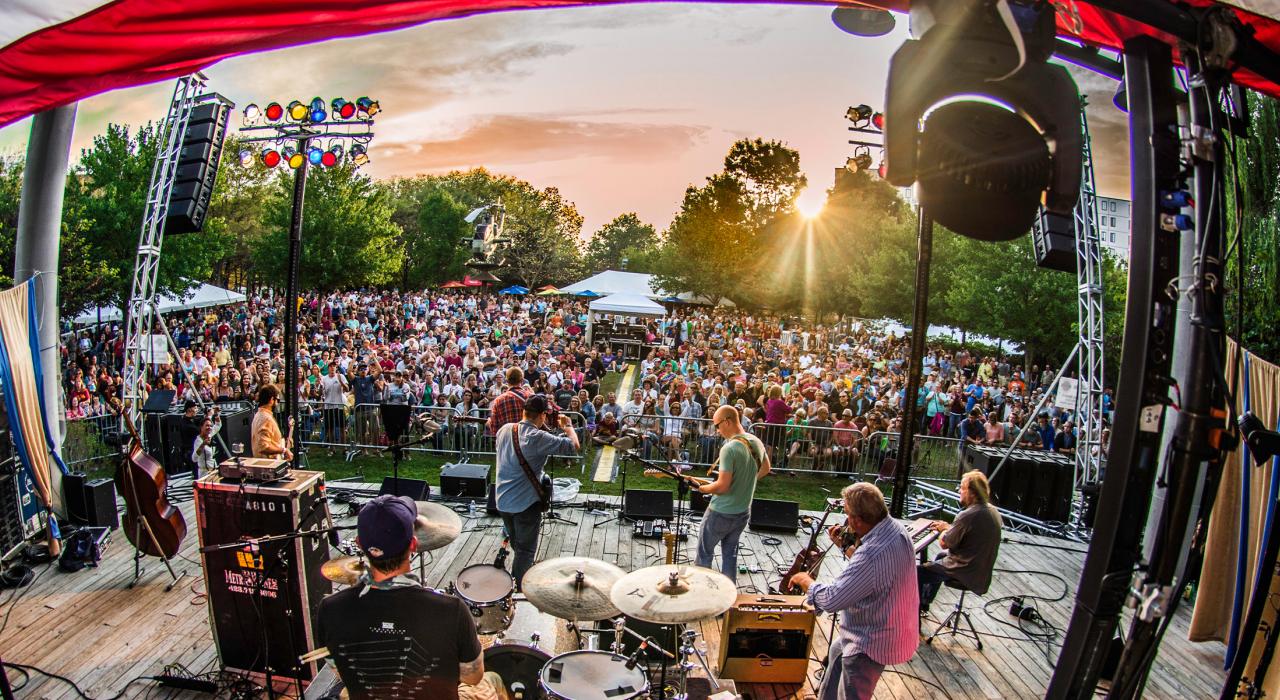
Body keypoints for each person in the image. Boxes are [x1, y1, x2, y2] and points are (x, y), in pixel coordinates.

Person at [316, 495, 508, 700]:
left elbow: (340, 671)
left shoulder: (330, 608)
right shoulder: (452, 610)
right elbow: (473, 677)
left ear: (360, 544)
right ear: (414, 544)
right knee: (493, 679)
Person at [786, 483, 919, 700]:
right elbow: (873, 573)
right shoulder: (895, 528)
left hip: (871, 641)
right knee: (837, 651)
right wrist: (843, 546)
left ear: (856, 520)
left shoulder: (870, 554)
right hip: (892, 624)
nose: (846, 521)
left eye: (847, 514)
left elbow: (833, 599)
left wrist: (806, 581)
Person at [494, 394, 580, 589]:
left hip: (502, 500)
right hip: (525, 504)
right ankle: (519, 589)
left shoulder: (505, 429)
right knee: (525, 550)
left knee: (518, 545)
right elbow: (573, 446)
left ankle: (520, 572)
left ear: (524, 411)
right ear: (542, 415)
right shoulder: (537, 437)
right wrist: (568, 426)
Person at [694, 405, 769, 582]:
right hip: (743, 512)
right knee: (730, 555)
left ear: (727, 422)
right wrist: (746, 481)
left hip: (721, 512)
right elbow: (766, 468)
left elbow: (722, 487)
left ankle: (702, 592)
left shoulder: (729, 448)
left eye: (717, 425)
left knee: (704, 554)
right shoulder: (755, 441)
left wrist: (702, 488)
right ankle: (729, 592)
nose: (717, 430)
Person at [917, 470, 1003, 615]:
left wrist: (942, 530)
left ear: (972, 493)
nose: (959, 492)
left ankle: (914, 613)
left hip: (964, 570)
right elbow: (968, 533)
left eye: (962, 488)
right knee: (941, 556)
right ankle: (924, 604)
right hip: (980, 571)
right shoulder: (993, 511)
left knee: (917, 572)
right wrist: (949, 528)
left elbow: (945, 543)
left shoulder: (967, 515)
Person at [251, 385, 292, 460]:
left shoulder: (259, 414)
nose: (278, 403)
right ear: (272, 399)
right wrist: (284, 450)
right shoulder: (266, 418)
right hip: (269, 464)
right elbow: (263, 446)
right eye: (278, 400)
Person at [487, 366, 532, 435]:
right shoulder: (531, 397)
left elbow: (494, 430)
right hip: (527, 438)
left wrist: (489, 422)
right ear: (522, 380)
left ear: (507, 380)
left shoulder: (499, 400)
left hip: (507, 439)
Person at [190, 410, 222, 475]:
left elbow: (217, 426)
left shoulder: (209, 435)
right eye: (207, 425)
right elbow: (194, 459)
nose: (209, 428)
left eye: (210, 426)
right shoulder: (198, 441)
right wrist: (203, 445)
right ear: (201, 427)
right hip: (204, 474)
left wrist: (216, 415)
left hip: (214, 471)